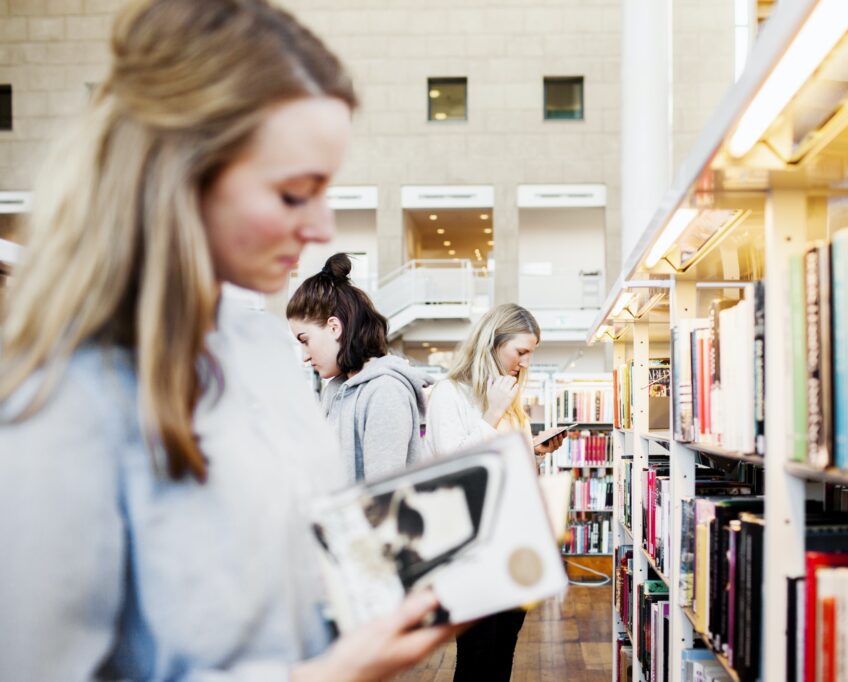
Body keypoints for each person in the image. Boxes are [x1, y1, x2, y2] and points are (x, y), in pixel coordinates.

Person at [0, 1, 457, 680]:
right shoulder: (61, 394)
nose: (321, 228)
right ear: (183, 175)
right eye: (294, 194)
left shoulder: (262, 351)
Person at [424, 302, 566, 682]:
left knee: (503, 652)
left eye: (530, 354)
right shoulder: (448, 394)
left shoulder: (512, 401)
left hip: (513, 545)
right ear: (492, 341)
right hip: (471, 549)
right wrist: (491, 415)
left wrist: (533, 452)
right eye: (520, 351)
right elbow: (452, 470)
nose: (523, 362)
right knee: (476, 657)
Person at [287, 252, 432, 486]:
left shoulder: (385, 391)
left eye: (305, 340)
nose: (304, 356)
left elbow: (383, 497)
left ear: (334, 327)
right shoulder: (336, 390)